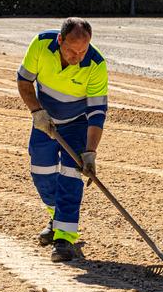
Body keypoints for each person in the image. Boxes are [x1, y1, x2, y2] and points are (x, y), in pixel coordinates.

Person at [16, 17, 108, 262]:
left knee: (70, 175)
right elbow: (24, 81)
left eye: (83, 50)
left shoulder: (96, 65)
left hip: (77, 123)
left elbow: (97, 113)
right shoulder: (41, 44)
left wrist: (90, 152)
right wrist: (37, 112)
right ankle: (58, 219)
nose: (77, 55)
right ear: (60, 40)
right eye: (71, 49)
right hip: (45, 120)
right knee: (41, 172)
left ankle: (65, 238)